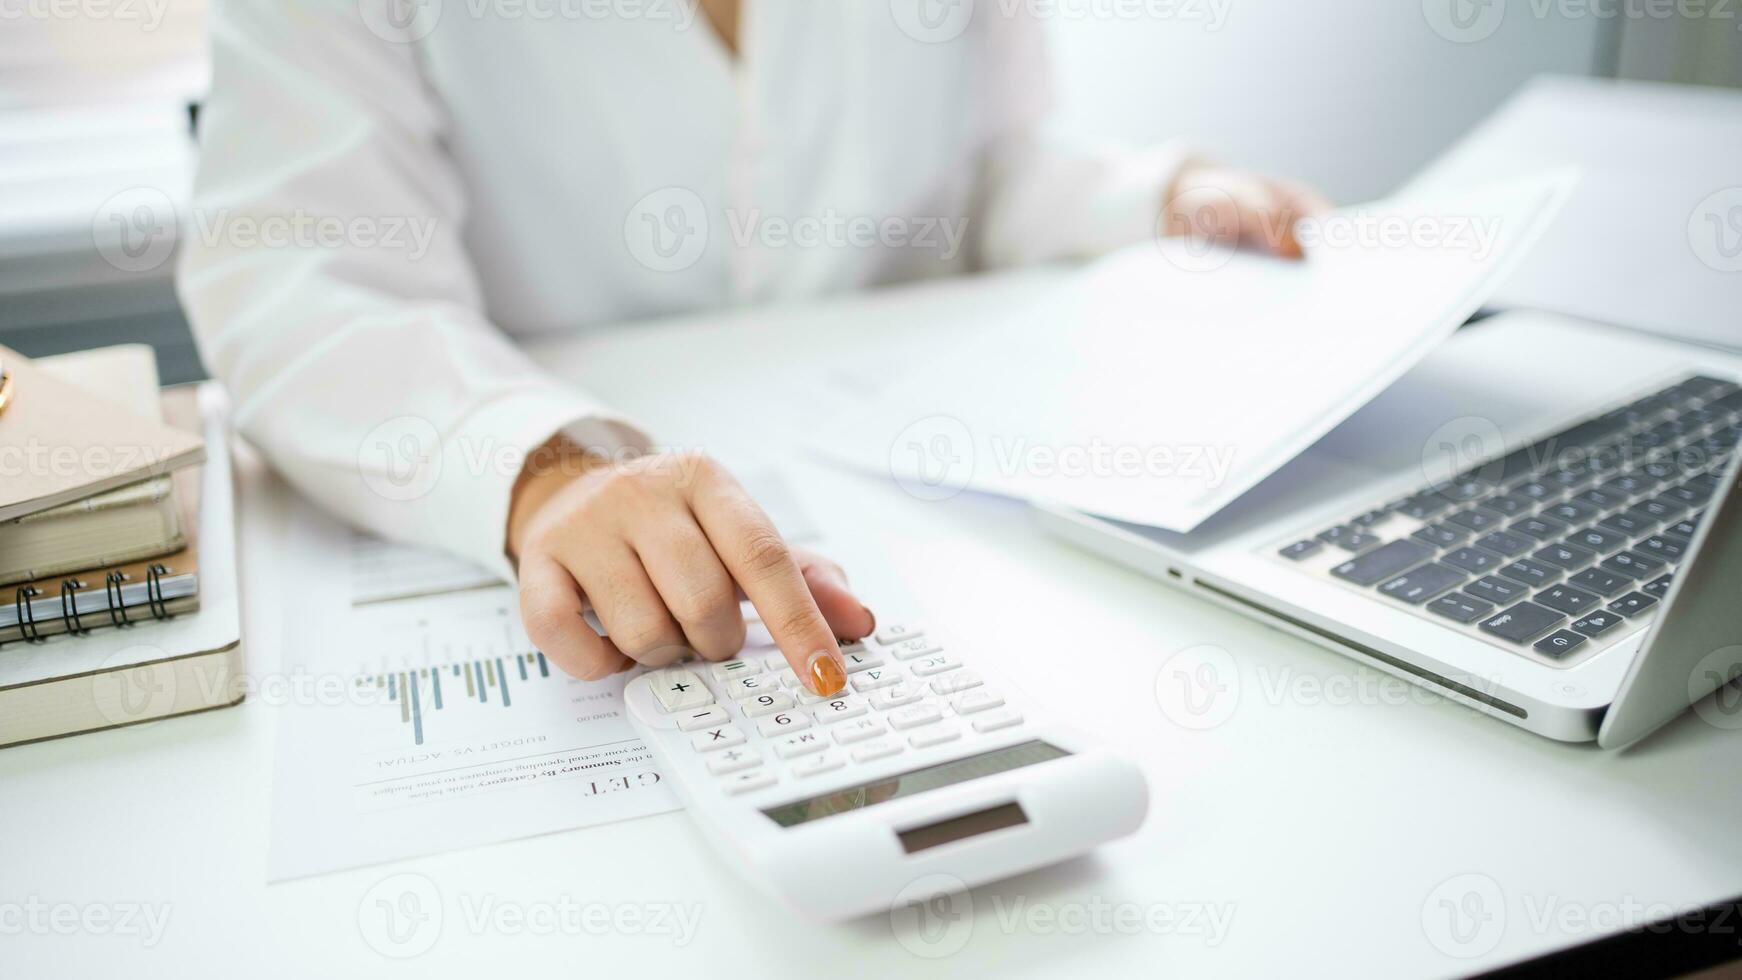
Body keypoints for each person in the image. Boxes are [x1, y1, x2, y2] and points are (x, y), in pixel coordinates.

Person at [178, 0, 1327, 696]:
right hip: (500, 540)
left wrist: (1149, 196)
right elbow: (293, 271)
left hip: (928, 521)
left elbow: (982, 171)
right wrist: (538, 471)